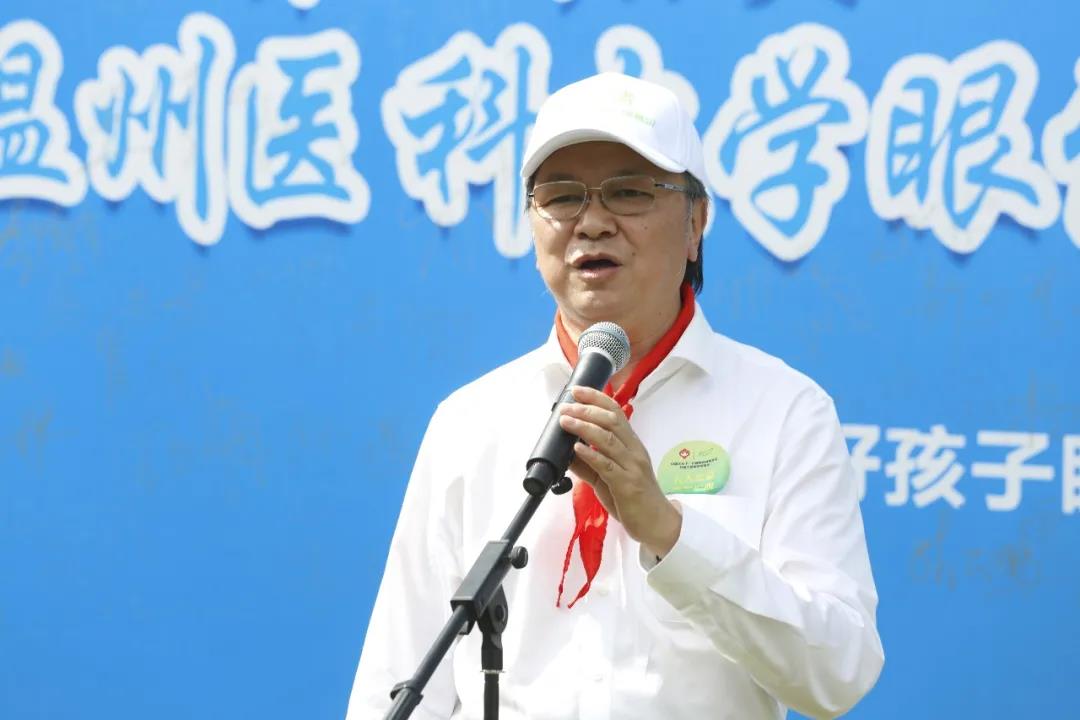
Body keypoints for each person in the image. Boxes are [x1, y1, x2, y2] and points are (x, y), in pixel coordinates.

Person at [347, 72, 884, 720]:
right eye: (561, 196)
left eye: (629, 192)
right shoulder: (471, 420)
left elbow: (838, 671)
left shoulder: (783, 410)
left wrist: (669, 532)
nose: (593, 222)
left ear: (696, 223)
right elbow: (398, 681)